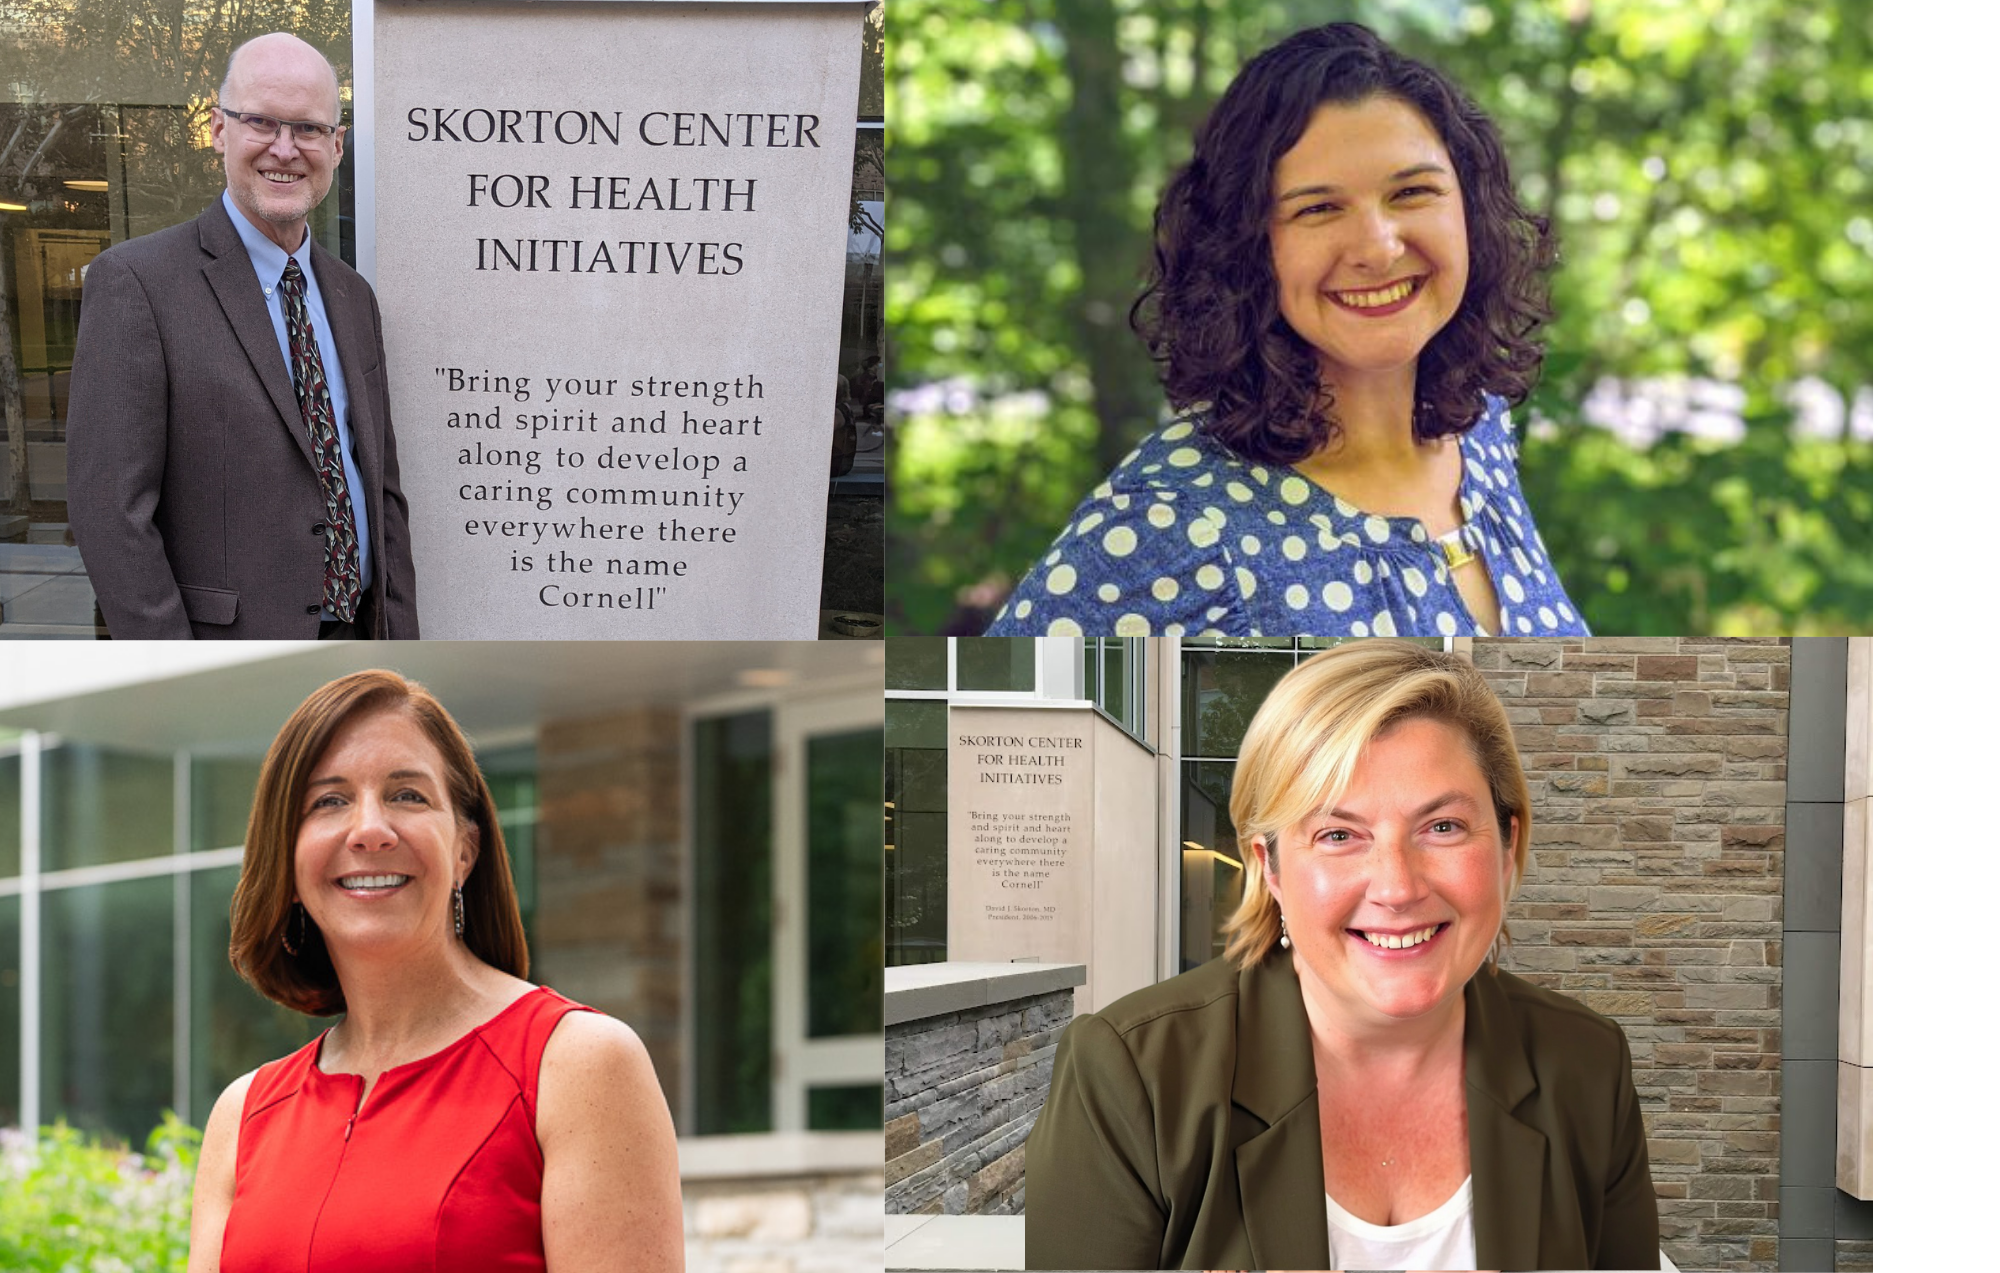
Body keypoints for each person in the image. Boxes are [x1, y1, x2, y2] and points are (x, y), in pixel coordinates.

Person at [1024, 641, 1656, 1270]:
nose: (1397, 887)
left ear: (1506, 842)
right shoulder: (1130, 1077)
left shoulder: (1588, 1065)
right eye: (1337, 835)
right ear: (1268, 866)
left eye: (1443, 827)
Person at [989, 23, 1584, 639]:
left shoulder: (1480, 429)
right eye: (1318, 208)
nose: (1379, 249)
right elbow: (979, 724)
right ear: (1247, 246)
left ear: (1470, 210)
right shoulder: (1171, 517)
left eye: (1411, 192)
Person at [187, 670, 682, 1272]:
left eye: (407, 795)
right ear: (287, 863)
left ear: (464, 852)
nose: (369, 829)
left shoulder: (580, 1066)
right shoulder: (243, 1116)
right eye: (329, 801)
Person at [65, 32, 418, 639]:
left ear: (336, 146)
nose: (284, 149)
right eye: (260, 121)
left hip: (360, 638)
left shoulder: (353, 297)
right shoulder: (137, 284)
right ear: (218, 129)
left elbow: (381, 490)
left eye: (307, 129)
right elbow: (111, 516)